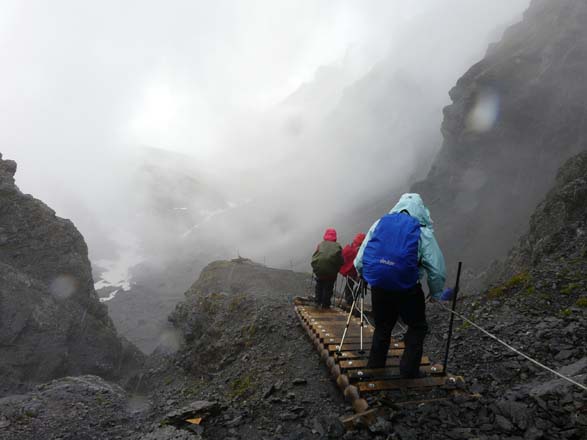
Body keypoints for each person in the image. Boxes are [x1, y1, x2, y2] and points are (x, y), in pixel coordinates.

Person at [354, 193, 453, 378]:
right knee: (417, 326)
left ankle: (375, 367)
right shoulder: (422, 231)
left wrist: (364, 274)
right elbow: (436, 269)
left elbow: (360, 258)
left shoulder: (380, 224)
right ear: (421, 210)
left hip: (380, 287)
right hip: (407, 288)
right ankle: (408, 370)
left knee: (383, 326)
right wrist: (436, 293)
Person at [311, 228, 344, 309]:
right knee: (328, 288)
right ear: (335, 236)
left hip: (319, 270)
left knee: (319, 286)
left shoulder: (321, 244)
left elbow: (315, 255)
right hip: (331, 273)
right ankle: (325, 305)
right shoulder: (338, 246)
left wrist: (315, 267)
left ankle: (317, 302)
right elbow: (341, 260)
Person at [339, 232, 366, 305]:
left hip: (348, 272)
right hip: (356, 272)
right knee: (362, 284)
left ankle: (348, 299)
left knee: (349, 284)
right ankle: (351, 299)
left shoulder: (350, 247)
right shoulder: (360, 250)